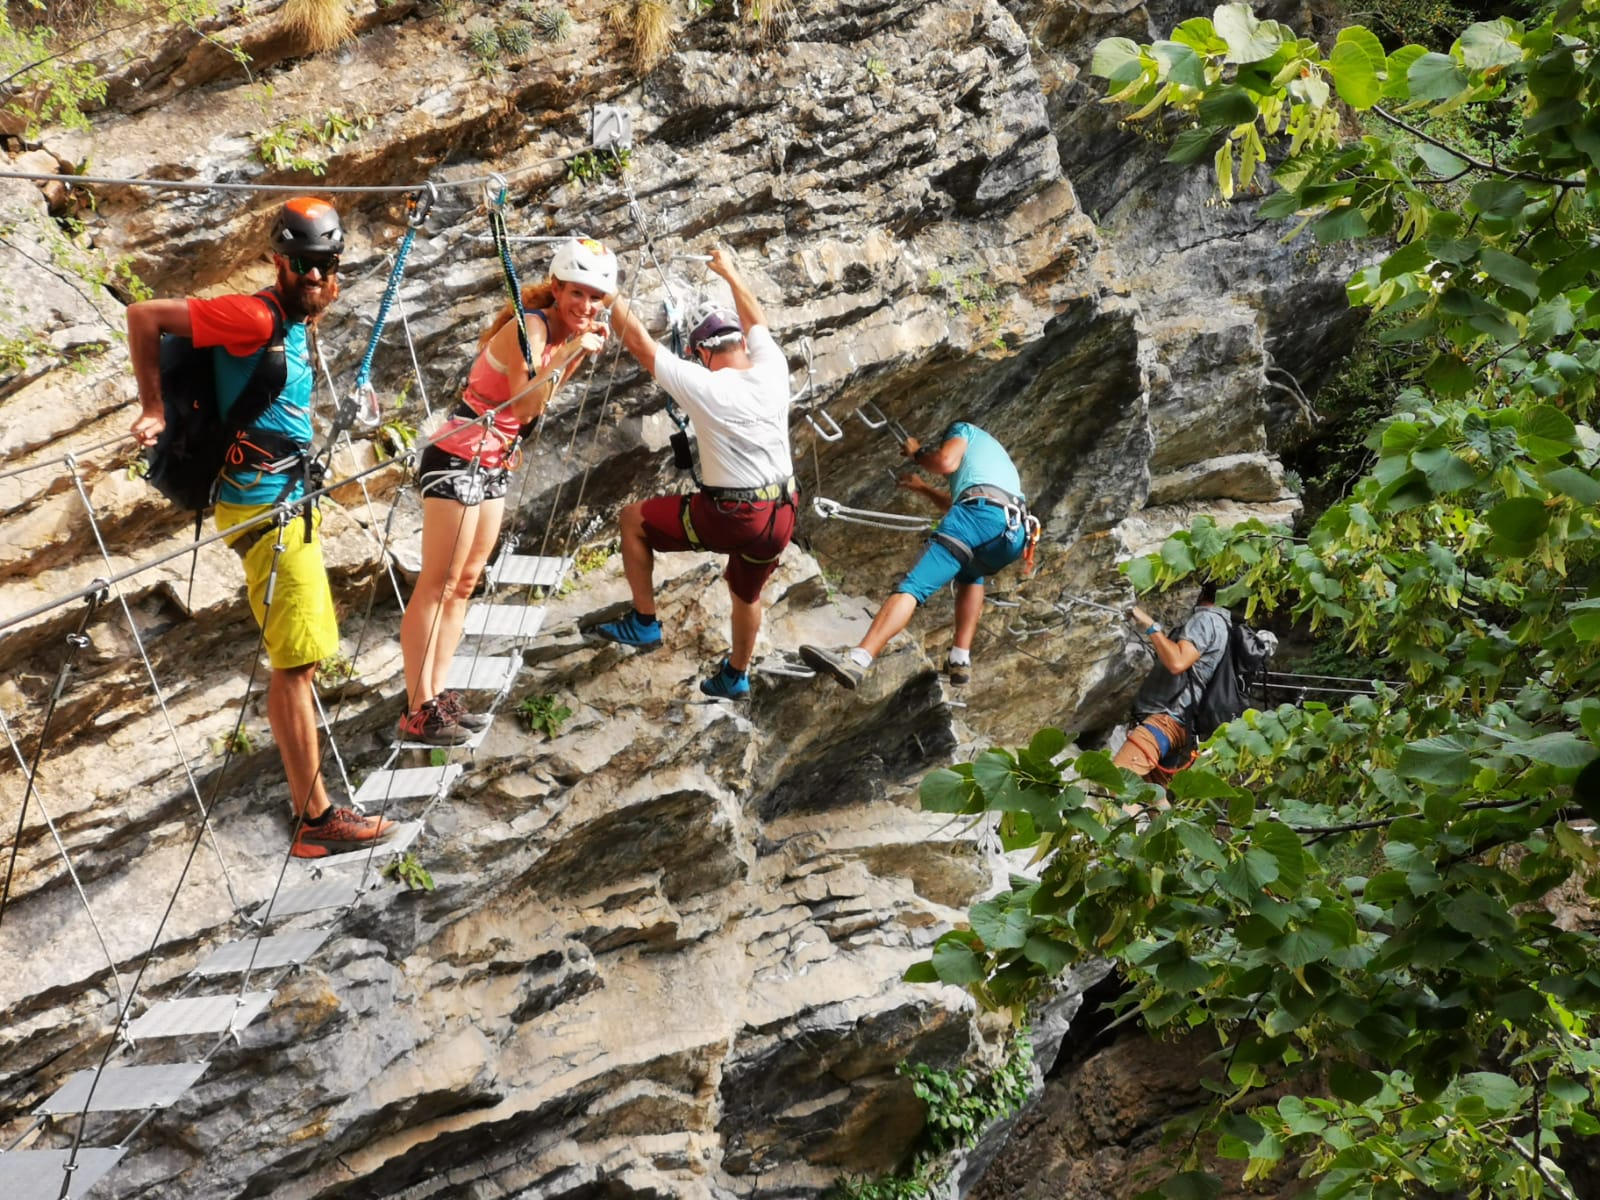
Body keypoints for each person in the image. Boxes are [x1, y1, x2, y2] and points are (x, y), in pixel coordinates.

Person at [126, 197, 394, 859]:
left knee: (297, 658)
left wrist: (321, 295)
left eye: (324, 265)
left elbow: (292, 340)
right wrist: (153, 409)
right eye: (301, 264)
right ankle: (316, 821)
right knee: (296, 667)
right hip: (267, 506)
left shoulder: (294, 316)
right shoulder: (251, 315)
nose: (313, 276)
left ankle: (317, 815)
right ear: (279, 261)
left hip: (285, 500)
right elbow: (144, 315)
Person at [396, 237, 613, 744]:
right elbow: (525, 405)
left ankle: (437, 697)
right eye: (577, 294)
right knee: (438, 581)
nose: (585, 306)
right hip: (457, 454)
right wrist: (575, 352)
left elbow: (535, 405)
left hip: (492, 461)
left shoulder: (568, 334)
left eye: (595, 297)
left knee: (467, 580)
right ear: (557, 289)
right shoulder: (532, 327)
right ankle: (417, 706)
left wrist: (575, 349)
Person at [596, 245, 796, 700]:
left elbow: (642, 347)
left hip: (735, 514)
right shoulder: (774, 369)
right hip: (782, 514)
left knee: (633, 520)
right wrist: (730, 270)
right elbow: (756, 318)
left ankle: (644, 622)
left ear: (701, 354)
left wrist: (607, 291)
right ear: (740, 343)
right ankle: (735, 674)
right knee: (746, 594)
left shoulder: (704, 384)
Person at [799, 423, 1031, 690]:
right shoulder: (993, 463)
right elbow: (958, 502)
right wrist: (922, 488)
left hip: (979, 515)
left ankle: (857, 659)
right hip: (1014, 533)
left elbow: (945, 461)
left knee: (914, 586)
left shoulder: (963, 430)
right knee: (971, 574)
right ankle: (960, 659)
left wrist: (918, 453)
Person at [1112, 580, 1231, 783]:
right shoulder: (1223, 623)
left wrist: (1150, 625)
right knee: (1155, 799)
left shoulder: (1205, 619)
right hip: (1179, 724)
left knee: (1115, 783)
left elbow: (1178, 662)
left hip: (1165, 719)